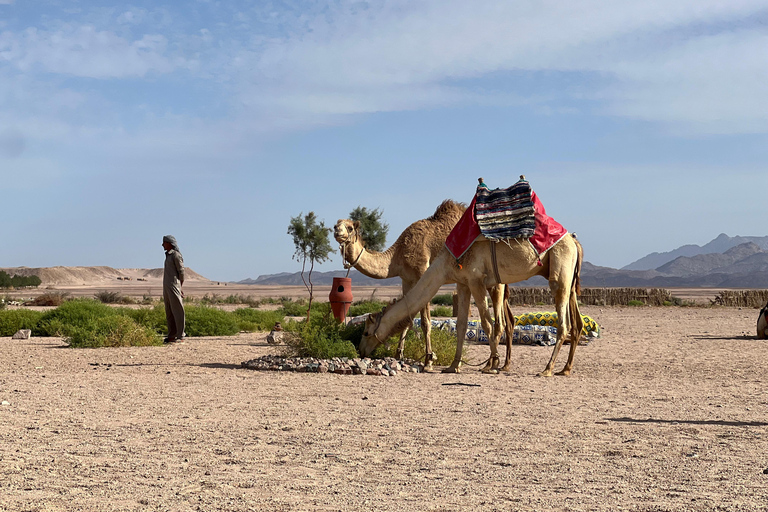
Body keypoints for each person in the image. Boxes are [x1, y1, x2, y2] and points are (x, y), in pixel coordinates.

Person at [162, 235, 185, 343]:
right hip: (166, 286)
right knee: (169, 311)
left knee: (178, 310)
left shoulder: (176, 255)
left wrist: (180, 287)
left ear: (170, 243)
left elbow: (181, 272)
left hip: (174, 285)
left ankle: (181, 335)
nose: (162, 245)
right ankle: (172, 334)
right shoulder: (168, 255)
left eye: (164, 243)